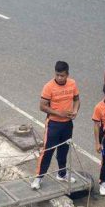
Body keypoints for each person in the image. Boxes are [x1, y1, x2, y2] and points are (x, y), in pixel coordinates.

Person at [32, 61, 80, 190]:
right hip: (53, 124)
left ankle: (62, 174)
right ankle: (38, 177)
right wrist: (59, 113)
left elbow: (76, 100)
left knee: (64, 151)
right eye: (57, 75)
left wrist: (75, 111)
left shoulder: (72, 83)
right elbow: (42, 106)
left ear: (67, 74)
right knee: (47, 151)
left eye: (62, 75)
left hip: (67, 124)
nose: (59, 78)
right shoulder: (48, 87)